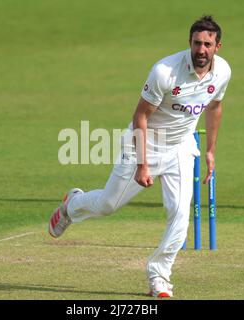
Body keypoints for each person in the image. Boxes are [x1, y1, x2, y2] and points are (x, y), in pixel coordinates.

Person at [49, 15, 231, 298]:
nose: (201, 50)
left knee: (180, 214)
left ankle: (159, 276)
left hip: (181, 147)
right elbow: (140, 117)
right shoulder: (165, 71)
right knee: (108, 205)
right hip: (145, 143)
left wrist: (209, 151)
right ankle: (72, 205)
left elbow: (215, 107)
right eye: (197, 43)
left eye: (207, 44)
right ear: (190, 43)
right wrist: (142, 164)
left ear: (218, 46)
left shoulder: (222, 73)